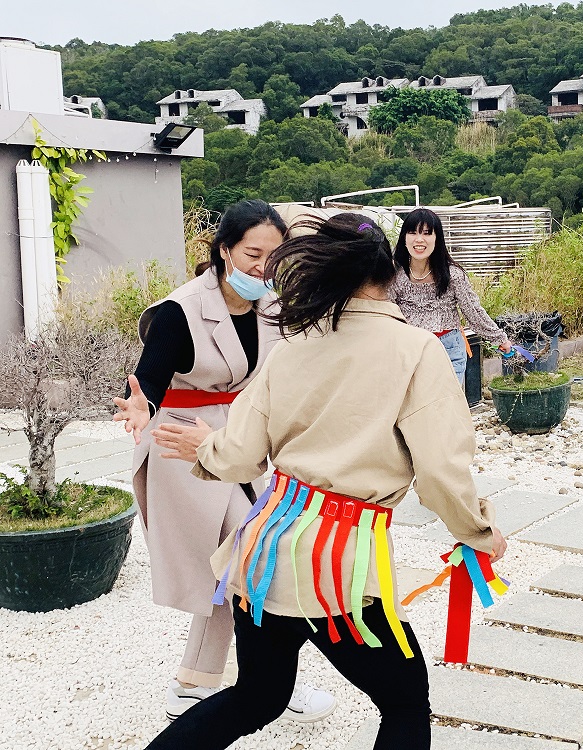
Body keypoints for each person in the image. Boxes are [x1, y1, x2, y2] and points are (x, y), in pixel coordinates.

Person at [140, 213, 507, 750]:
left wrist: (206, 447)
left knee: (256, 696)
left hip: (262, 553)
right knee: (404, 704)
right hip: (340, 568)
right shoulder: (416, 349)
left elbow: (240, 456)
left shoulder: (292, 345)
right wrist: (479, 532)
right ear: (389, 272)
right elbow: (440, 472)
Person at [112, 200, 335, 721]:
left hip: (238, 439)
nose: (263, 266)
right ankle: (266, 680)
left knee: (238, 567)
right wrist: (142, 406)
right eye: (253, 254)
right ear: (224, 250)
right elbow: (150, 377)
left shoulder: (272, 307)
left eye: (274, 255)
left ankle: (205, 681)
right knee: (251, 557)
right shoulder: (182, 310)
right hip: (181, 444)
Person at [388, 207, 512, 383]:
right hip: (409, 350)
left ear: (437, 238)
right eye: (412, 232)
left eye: (426, 233)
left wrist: (499, 338)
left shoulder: (453, 275)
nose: (419, 239)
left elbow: (473, 312)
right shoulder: (395, 276)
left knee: (447, 400)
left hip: (448, 348)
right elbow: (385, 314)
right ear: (404, 238)